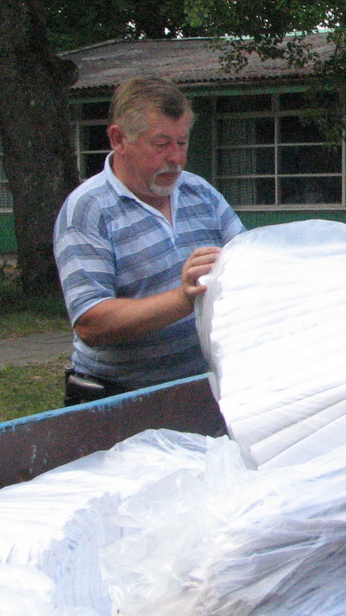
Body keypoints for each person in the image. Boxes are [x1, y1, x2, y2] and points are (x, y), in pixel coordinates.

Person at [54, 77, 244, 404]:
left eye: (182, 142)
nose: (176, 158)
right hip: (120, 401)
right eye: (161, 144)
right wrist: (184, 298)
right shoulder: (88, 209)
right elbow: (91, 323)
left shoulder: (200, 192)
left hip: (205, 388)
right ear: (118, 139)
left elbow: (247, 260)